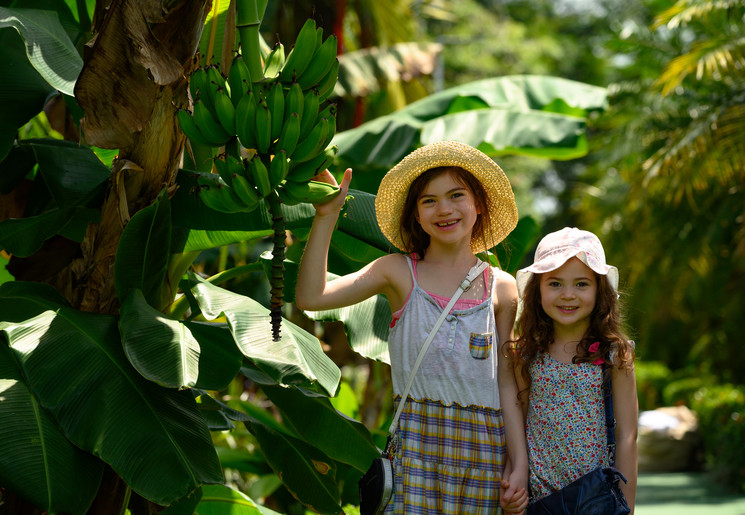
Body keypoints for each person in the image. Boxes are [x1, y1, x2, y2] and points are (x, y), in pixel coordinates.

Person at [295, 141, 529, 514]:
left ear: (478, 204)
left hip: (485, 457)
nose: (444, 209)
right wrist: (326, 215)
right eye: (429, 200)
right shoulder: (398, 272)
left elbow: (508, 383)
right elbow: (311, 296)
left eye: (456, 195)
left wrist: (520, 466)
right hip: (415, 454)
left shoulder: (501, 288)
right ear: (416, 216)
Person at [506, 227, 638, 513]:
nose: (568, 295)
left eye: (581, 284)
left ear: (600, 290)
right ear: (537, 289)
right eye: (554, 284)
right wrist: (513, 477)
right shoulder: (526, 355)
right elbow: (518, 421)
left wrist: (627, 505)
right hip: (541, 499)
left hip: (596, 499)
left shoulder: (616, 353)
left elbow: (628, 434)